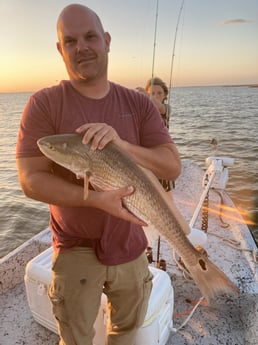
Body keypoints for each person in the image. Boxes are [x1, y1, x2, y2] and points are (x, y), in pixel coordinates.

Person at [16, 4, 181, 345]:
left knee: (127, 331)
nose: (82, 47)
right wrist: (94, 199)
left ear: (106, 40)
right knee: (75, 337)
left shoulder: (139, 104)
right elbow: (30, 179)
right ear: (60, 49)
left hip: (133, 246)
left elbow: (171, 165)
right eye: (71, 41)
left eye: (90, 36)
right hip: (74, 248)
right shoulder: (44, 104)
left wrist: (122, 145)